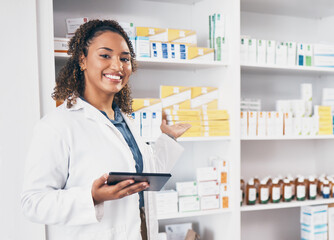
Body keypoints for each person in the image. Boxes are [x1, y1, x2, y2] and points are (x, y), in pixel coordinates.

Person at [21, 19, 191, 240]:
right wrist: (90, 197)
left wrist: (168, 138)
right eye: (105, 55)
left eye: (125, 59)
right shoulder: (57, 125)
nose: (118, 66)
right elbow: (32, 202)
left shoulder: (125, 121)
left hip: (142, 231)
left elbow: (142, 178)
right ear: (82, 60)